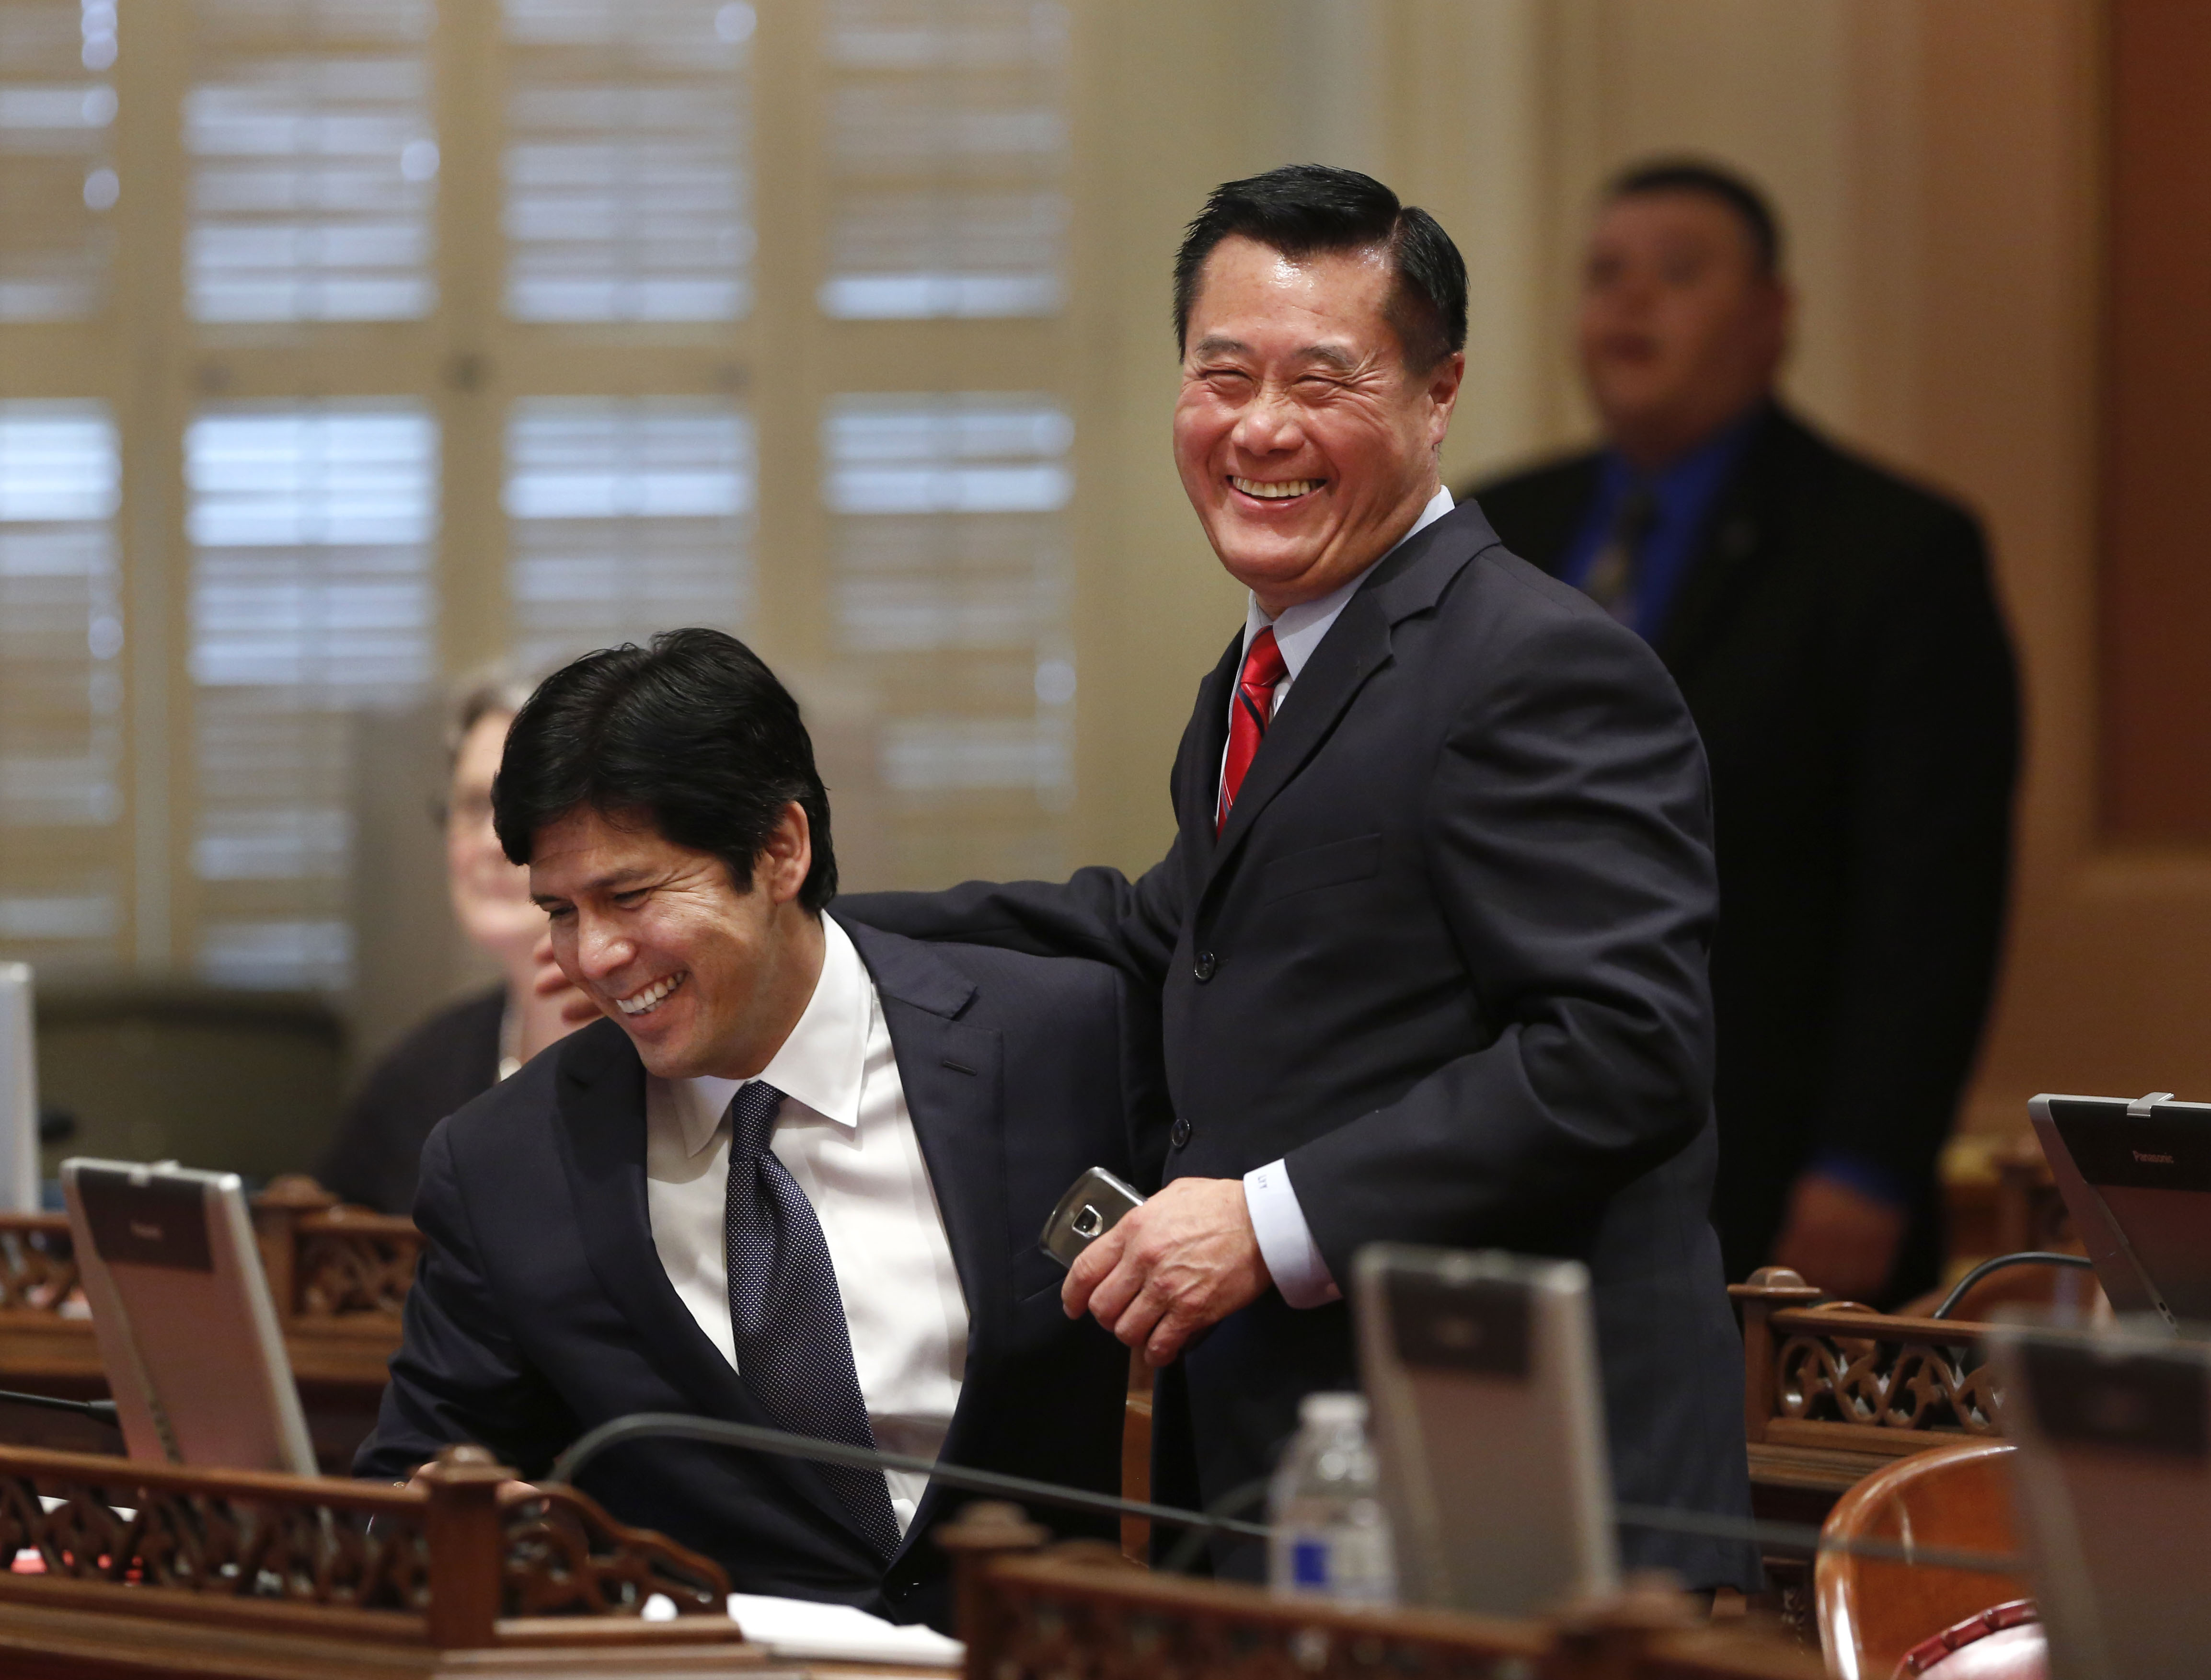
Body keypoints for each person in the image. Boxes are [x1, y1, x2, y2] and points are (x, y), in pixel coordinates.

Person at [842, 163, 1761, 1592]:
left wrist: (1266, 1218)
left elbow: (1622, 1050)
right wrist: (801, 932)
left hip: (1523, 1499)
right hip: (1313, 1471)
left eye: (1319, 381)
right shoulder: (1271, 662)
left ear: (1433, 394)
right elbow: (1152, 935)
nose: (1258, 429)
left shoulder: (1533, 663)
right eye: (1221, 376)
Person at [355, 629, 1153, 1630]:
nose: (592, 956)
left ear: (781, 849)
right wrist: (463, 1523)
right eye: (560, 908)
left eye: (631, 895)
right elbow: (401, 1493)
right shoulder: (503, 1161)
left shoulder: (1058, 1039)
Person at [1469, 160, 2019, 1306]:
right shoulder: (1486, 529)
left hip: (1764, 1158)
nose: (1630, 304)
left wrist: (1869, 1159)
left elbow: (1931, 894)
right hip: (1489, 1154)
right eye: (1605, 273)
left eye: (1676, 273)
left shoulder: (1892, 552)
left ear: (1772, 317)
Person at [318, 673, 587, 1214]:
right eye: (471, 806)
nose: (493, 842)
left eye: (524, 804)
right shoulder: (420, 1070)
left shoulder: (678, 1054)